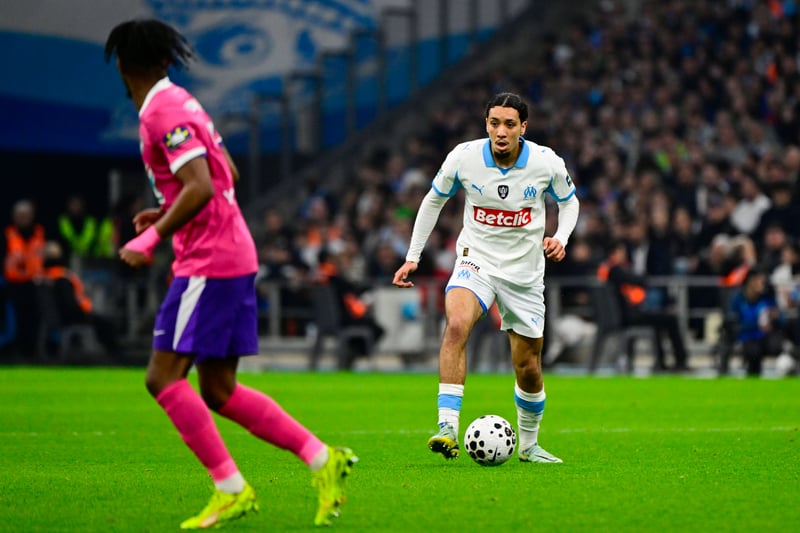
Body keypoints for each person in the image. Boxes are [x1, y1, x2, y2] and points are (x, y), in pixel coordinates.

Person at [104, 19, 356, 530]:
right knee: (218, 389)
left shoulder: (162, 111)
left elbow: (200, 185)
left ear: (123, 64)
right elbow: (226, 174)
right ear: (165, 60)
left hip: (209, 260)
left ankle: (231, 488)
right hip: (233, 255)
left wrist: (151, 238)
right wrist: (168, 209)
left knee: (163, 377)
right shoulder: (184, 102)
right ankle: (321, 458)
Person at [392, 92, 580, 464]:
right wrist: (413, 256)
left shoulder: (546, 162)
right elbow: (433, 200)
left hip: (524, 274)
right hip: (475, 260)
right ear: (487, 125)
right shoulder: (464, 157)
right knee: (456, 325)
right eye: (494, 123)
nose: (501, 131)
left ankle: (529, 444)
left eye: (509, 124)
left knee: (528, 365)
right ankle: (447, 427)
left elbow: (569, 201)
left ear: (523, 127)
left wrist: (561, 237)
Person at [597, 240, 689, 372]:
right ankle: (680, 361)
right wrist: (643, 277)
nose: (624, 254)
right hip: (628, 316)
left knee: (657, 320)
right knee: (670, 319)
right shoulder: (615, 270)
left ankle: (661, 362)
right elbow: (637, 280)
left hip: (624, 314)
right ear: (614, 253)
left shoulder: (605, 269)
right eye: (621, 251)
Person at [39, 241, 120, 355]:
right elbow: (68, 303)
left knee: (103, 323)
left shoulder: (46, 276)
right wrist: (81, 313)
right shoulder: (60, 277)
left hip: (67, 315)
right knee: (106, 324)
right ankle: (115, 354)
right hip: (73, 315)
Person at [1, 199, 45, 358]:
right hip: (12, 284)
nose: (23, 218)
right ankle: (12, 350)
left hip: (35, 284)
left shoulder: (40, 233)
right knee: (13, 319)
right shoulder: (7, 235)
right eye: (20, 215)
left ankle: (32, 352)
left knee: (35, 318)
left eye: (26, 215)